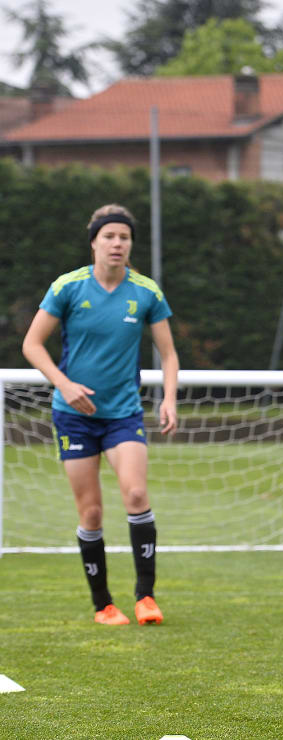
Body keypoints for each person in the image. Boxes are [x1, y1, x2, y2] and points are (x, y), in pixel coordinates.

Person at [21, 203, 179, 627]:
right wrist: (65, 385)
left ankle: (145, 597)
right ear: (94, 242)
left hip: (123, 413)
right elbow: (32, 345)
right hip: (72, 417)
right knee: (90, 513)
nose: (117, 244)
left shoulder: (146, 291)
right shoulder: (68, 287)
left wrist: (169, 398)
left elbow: (168, 353)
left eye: (124, 238)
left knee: (136, 497)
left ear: (130, 245)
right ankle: (103, 604)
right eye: (109, 236)